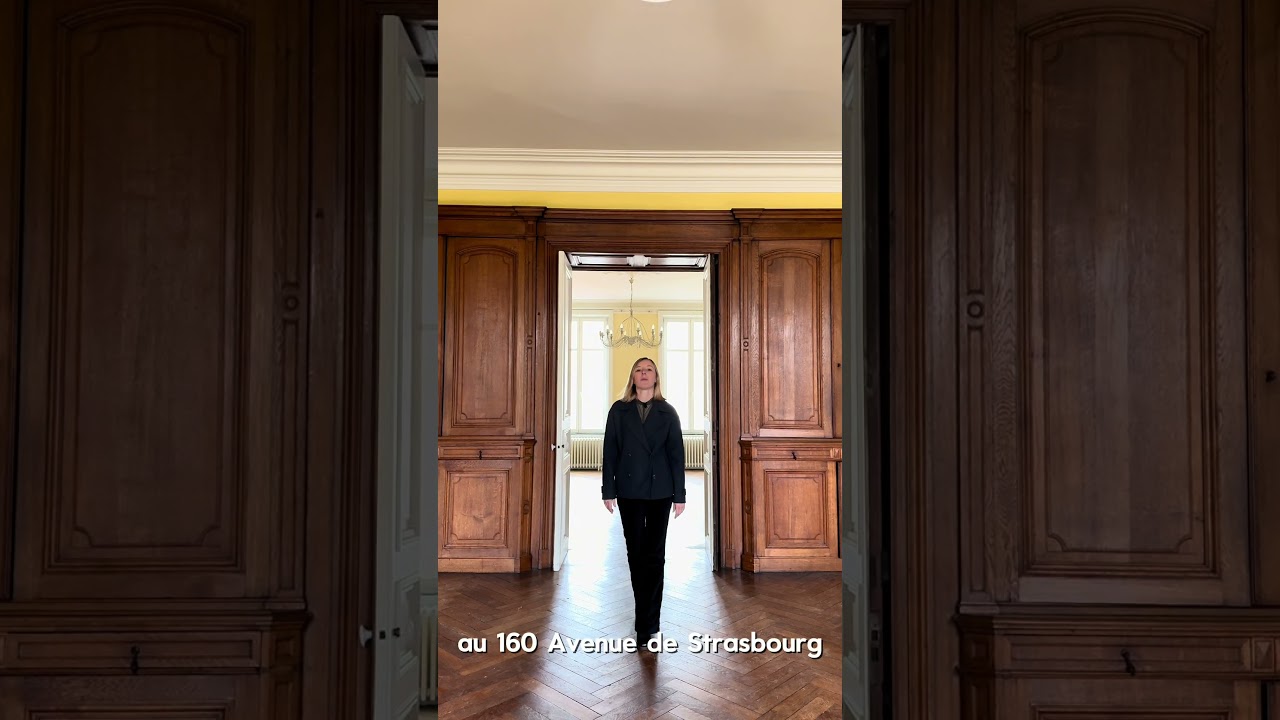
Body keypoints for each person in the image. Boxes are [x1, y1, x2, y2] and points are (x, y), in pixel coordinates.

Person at [601, 357, 686, 649]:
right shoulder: (619, 410)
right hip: (629, 491)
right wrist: (607, 490)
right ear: (633, 377)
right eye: (639, 369)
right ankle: (642, 621)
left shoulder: (668, 412)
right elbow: (610, 451)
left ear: (656, 377)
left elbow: (677, 455)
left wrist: (680, 495)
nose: (644, 373)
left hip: (661, 491)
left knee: (656, 556)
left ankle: (650, 624)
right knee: (636, 555)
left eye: (648, 369)